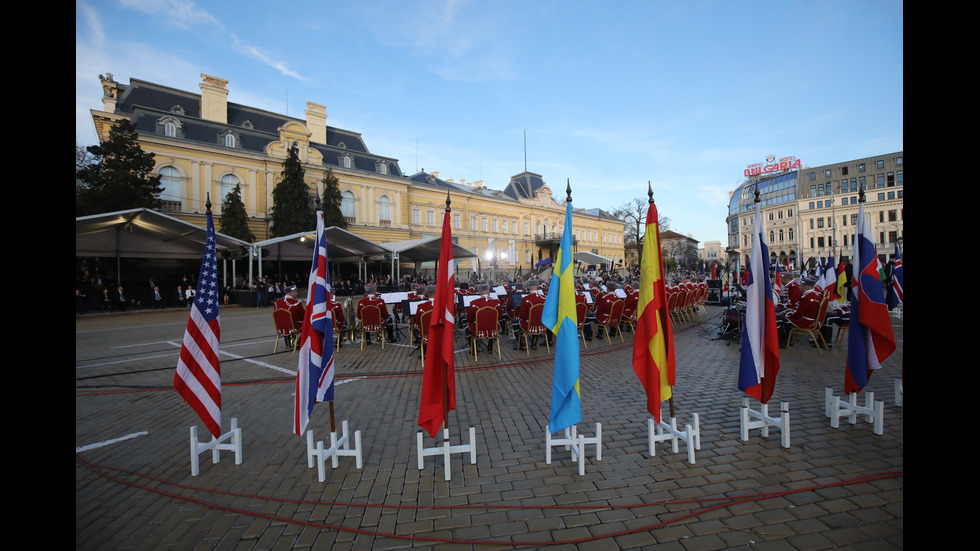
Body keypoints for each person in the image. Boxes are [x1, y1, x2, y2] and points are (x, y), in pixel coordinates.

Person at [467, 283, 504, 353]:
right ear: (488, 291)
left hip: (478, 330)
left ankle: (474, 349)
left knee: (467, 328)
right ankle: (490, 348)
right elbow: (499, 317)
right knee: (493, 324)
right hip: (493, 330)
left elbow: (470, 319)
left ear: (479, 292)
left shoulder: (473, 303)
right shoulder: (497, 302)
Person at [515, 279, 547, 350]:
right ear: (538, 286)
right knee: (535, 319)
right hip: (543, 326)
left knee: (514, 324)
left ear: (529, 287)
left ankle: (522, 344)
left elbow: (522, 316)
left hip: (529, 326)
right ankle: (533, 344)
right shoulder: (545, 298)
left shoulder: (526, 299)